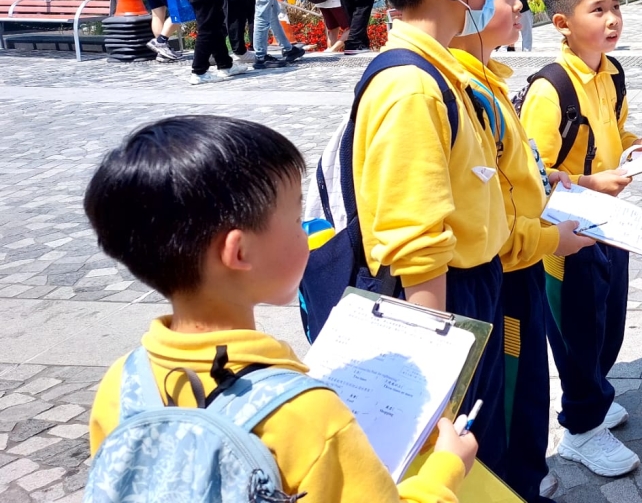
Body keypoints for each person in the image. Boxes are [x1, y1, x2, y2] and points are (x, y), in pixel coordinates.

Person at [83, 116, 478, 503]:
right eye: (296, 219)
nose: (306, 230)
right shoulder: (308, 415)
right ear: (240, 252)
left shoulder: (122, 383)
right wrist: (445, 470)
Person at [356, 0, 510, 472]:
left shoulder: (438, 70)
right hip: (445, 301)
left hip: (470, 286)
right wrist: (432, 384)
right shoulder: (412, 88)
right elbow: (416, 243)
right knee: (454, 454)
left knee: (482, 450)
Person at [451, 0, 595, 503]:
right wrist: (553, 237)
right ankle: (518, 486)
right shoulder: (459, 90)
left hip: (522, 265)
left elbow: (514, 176)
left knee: (528, 384)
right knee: (511, 399)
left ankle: (527, 478)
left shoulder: (488, 78)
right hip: (505, 276)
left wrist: (549, 179)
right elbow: (484, 215)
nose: (518, 6)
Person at [520, 0, 642, 478]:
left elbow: (613, 134)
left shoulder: (611, 72)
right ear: (562, 23)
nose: (613, 19)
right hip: (568, 232)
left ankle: (594, 396)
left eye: (615, 7)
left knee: (607, 321)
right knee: (577, 330)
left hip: (610, 223)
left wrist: (638, 146)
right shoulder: (550, 88)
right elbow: (532, 174)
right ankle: (581, 428)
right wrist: (591, 182)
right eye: (597, 10)